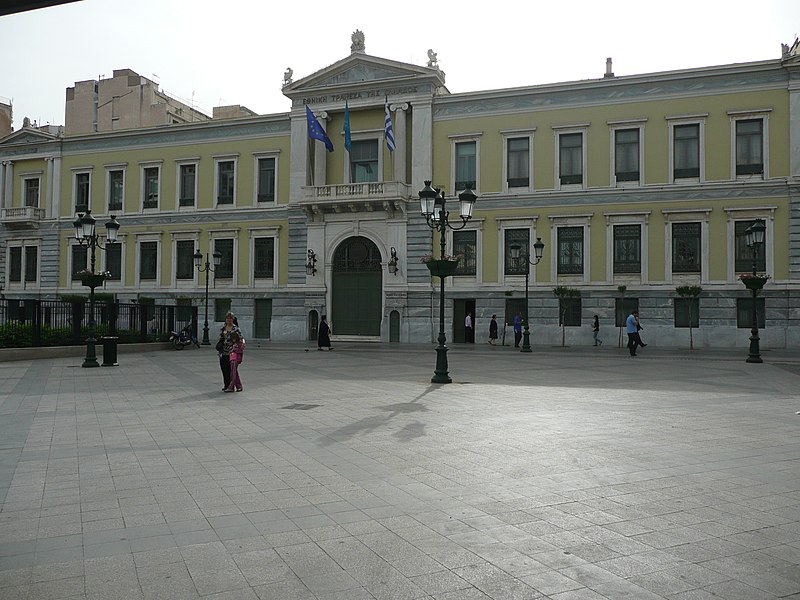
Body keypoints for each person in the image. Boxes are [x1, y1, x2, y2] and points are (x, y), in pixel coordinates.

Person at [217, 311, 241, 391]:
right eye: (228, 318)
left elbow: (240, 339)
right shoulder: (223, 328)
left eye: (231, 318)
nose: (229, 320)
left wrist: (237, 345)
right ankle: (226, 384)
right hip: (223, 351)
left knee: (231, 369)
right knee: (224, 368)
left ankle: (231, 386)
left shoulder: (235, 328)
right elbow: (221, 338)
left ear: (233, 319)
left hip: (232, 352)